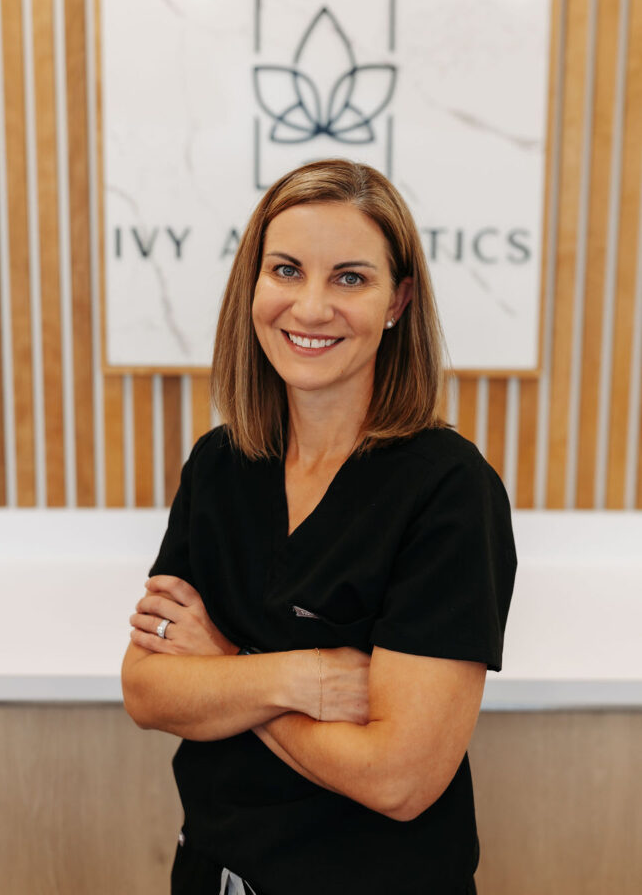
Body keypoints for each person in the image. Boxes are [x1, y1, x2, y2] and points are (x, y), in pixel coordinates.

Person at [121, 159, 517, 895]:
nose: (308, 307)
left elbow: (399, 777)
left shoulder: (448, 492)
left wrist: (223, 669)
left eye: (349, 278)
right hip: (213, 875)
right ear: (253, 285)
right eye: (286, 270)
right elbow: (146, 691)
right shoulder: (220, 464)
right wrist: (296, 676)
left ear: (397, 301)